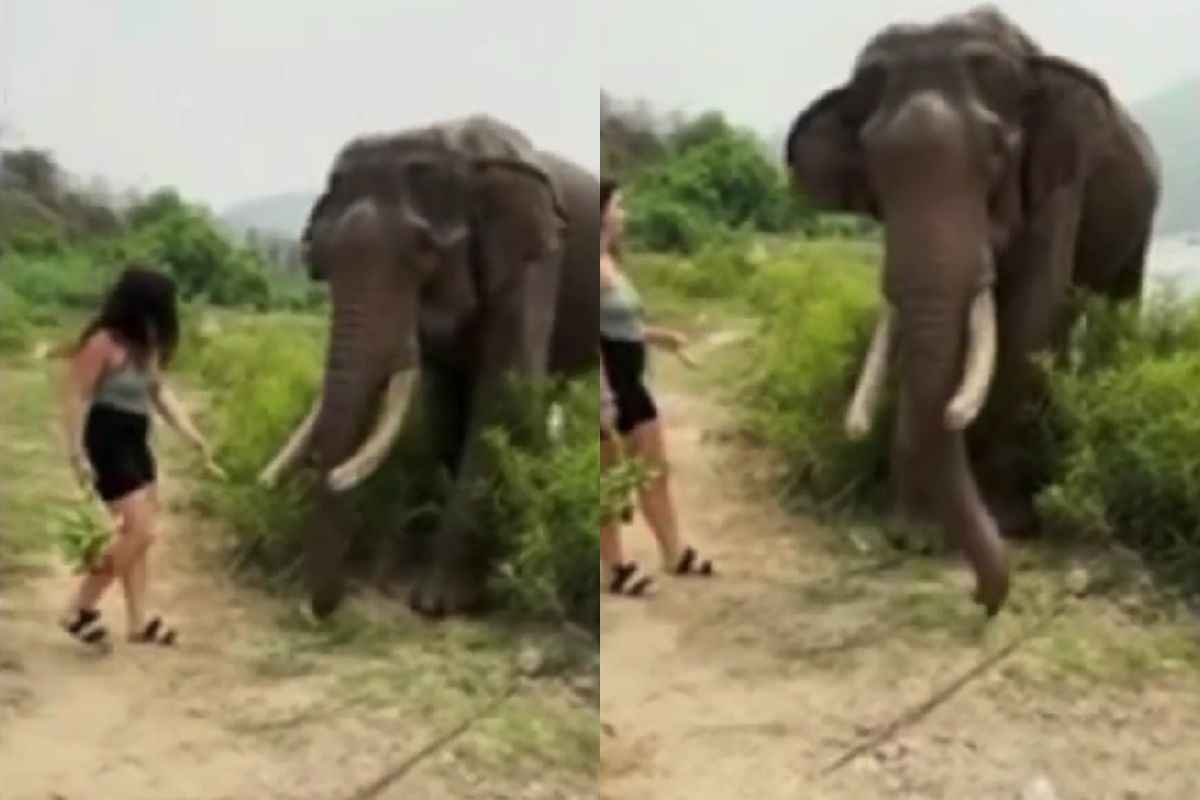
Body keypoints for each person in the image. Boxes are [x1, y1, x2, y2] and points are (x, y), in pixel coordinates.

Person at [57, 265, 224, 649]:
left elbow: (160, 394)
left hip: (136, 440)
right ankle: (78, 607)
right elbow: (75, 397)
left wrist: (192, 435)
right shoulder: (103, 343)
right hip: (106, 439)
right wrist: (76, 453)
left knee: (140, 536)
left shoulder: (146, 345)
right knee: (140, 530)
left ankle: (139, 621)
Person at [599, 178, 714, 597]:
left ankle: (674, 552)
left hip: (633, 385)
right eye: (618, 205)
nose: (624, 214)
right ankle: (614, 568)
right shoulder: (587, 270)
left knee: (654, 473)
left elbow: (623, 327)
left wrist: (662, 338)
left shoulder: (612, 262)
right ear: (601, 213)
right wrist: (601, 397)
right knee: (609, 483)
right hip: (609, 389)